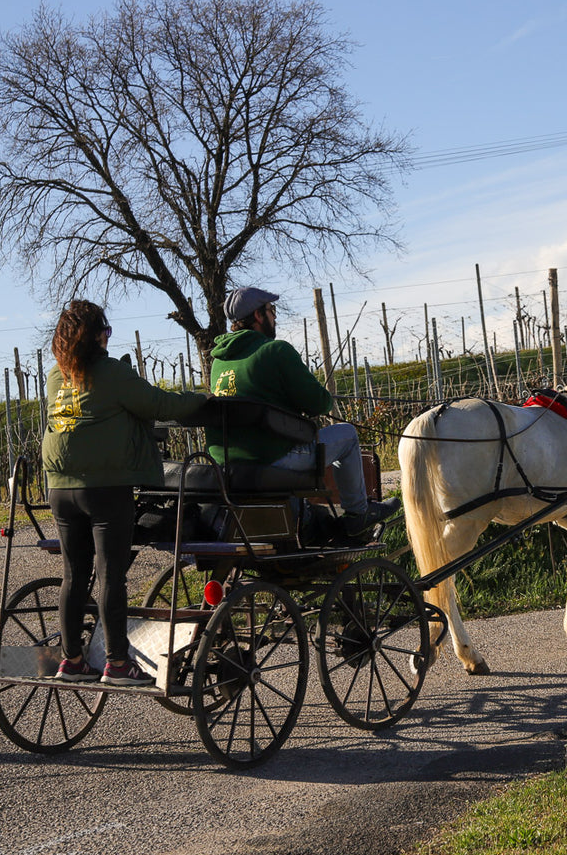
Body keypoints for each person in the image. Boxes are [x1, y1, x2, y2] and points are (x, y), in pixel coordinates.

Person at [43, 299, 209, 686]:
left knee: (73, 575)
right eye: (106, 330)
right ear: (97, 336)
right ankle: (118, 664)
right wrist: (202, 399)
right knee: (110, 574)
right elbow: (159, 403)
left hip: (60, 489)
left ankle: (71, 661)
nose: (107, 337)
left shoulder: (55, 375)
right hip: (105, 488)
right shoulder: (111, 373)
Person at [207, 286, 399, 538]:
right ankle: (357, 513)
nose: (274, 316)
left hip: (229, 466)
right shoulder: (275, 351)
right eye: (271, 310)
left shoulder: (218, 363)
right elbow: (319, 403)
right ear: (258, 316)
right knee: (347, 435)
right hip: (272, 459)